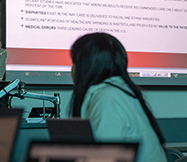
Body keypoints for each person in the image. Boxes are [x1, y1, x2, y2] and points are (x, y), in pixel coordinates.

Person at [70, 32, 166, 162]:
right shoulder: (118, 92)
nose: (72, 69)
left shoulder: (108, 97)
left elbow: (102, 158)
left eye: (75, 62)